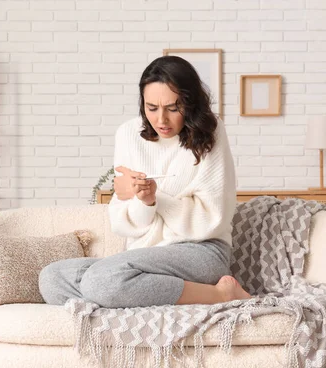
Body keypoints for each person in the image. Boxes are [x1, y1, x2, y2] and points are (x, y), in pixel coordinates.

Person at [39, 56, 251, 309]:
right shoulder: (128, 134)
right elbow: (125, 224)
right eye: (152, 108)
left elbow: (212, 218)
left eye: (173, 108)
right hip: (142, 255)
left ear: (191, 104)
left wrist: (156, 197)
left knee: (103, 280)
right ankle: (137, 293)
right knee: (52, 277)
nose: (161, 120)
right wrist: (144, 201)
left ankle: (221, 295)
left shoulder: (210, 133)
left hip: (200, 250)